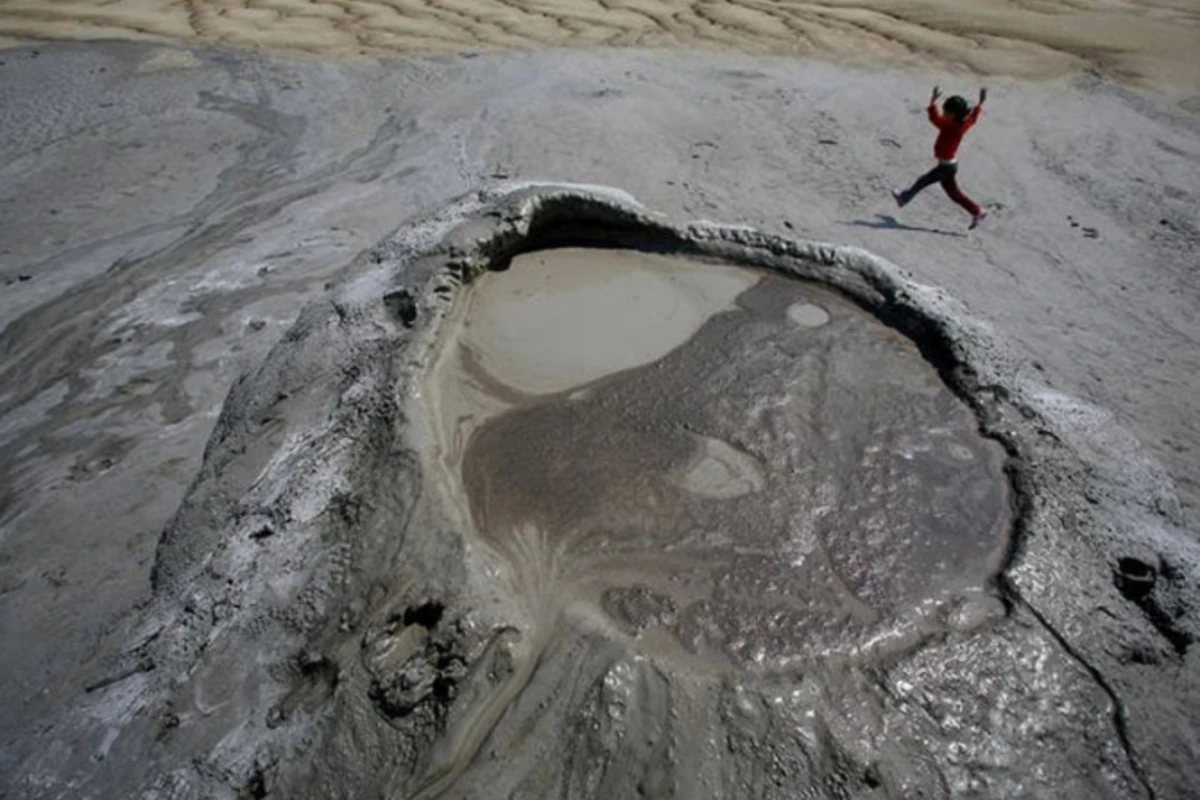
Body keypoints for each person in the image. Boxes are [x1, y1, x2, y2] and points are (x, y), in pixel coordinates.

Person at [893, 86, 988, 229]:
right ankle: (978, 212)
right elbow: (970, 119)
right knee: (954, 194)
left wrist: (932, 102)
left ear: (954, 115)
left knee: (923, 181)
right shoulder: (954, 125)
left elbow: (936, 119)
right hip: (948, 165)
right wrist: (980, 104)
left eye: (946, 112)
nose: (943, 114)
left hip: (946, 167)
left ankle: (903, 198)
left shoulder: (953, 128)